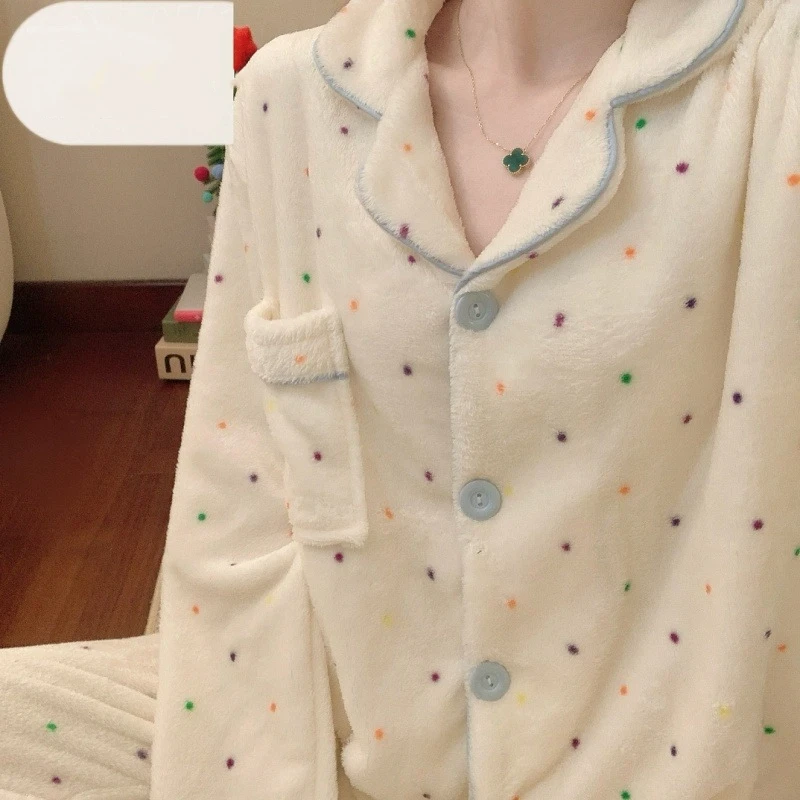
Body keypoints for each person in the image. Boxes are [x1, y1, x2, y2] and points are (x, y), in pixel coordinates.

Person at [1, 0, 798, 797]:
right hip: (346, 743)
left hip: (666, 762)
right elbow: (237, 508)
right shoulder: (290, 99)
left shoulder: (772, 85)